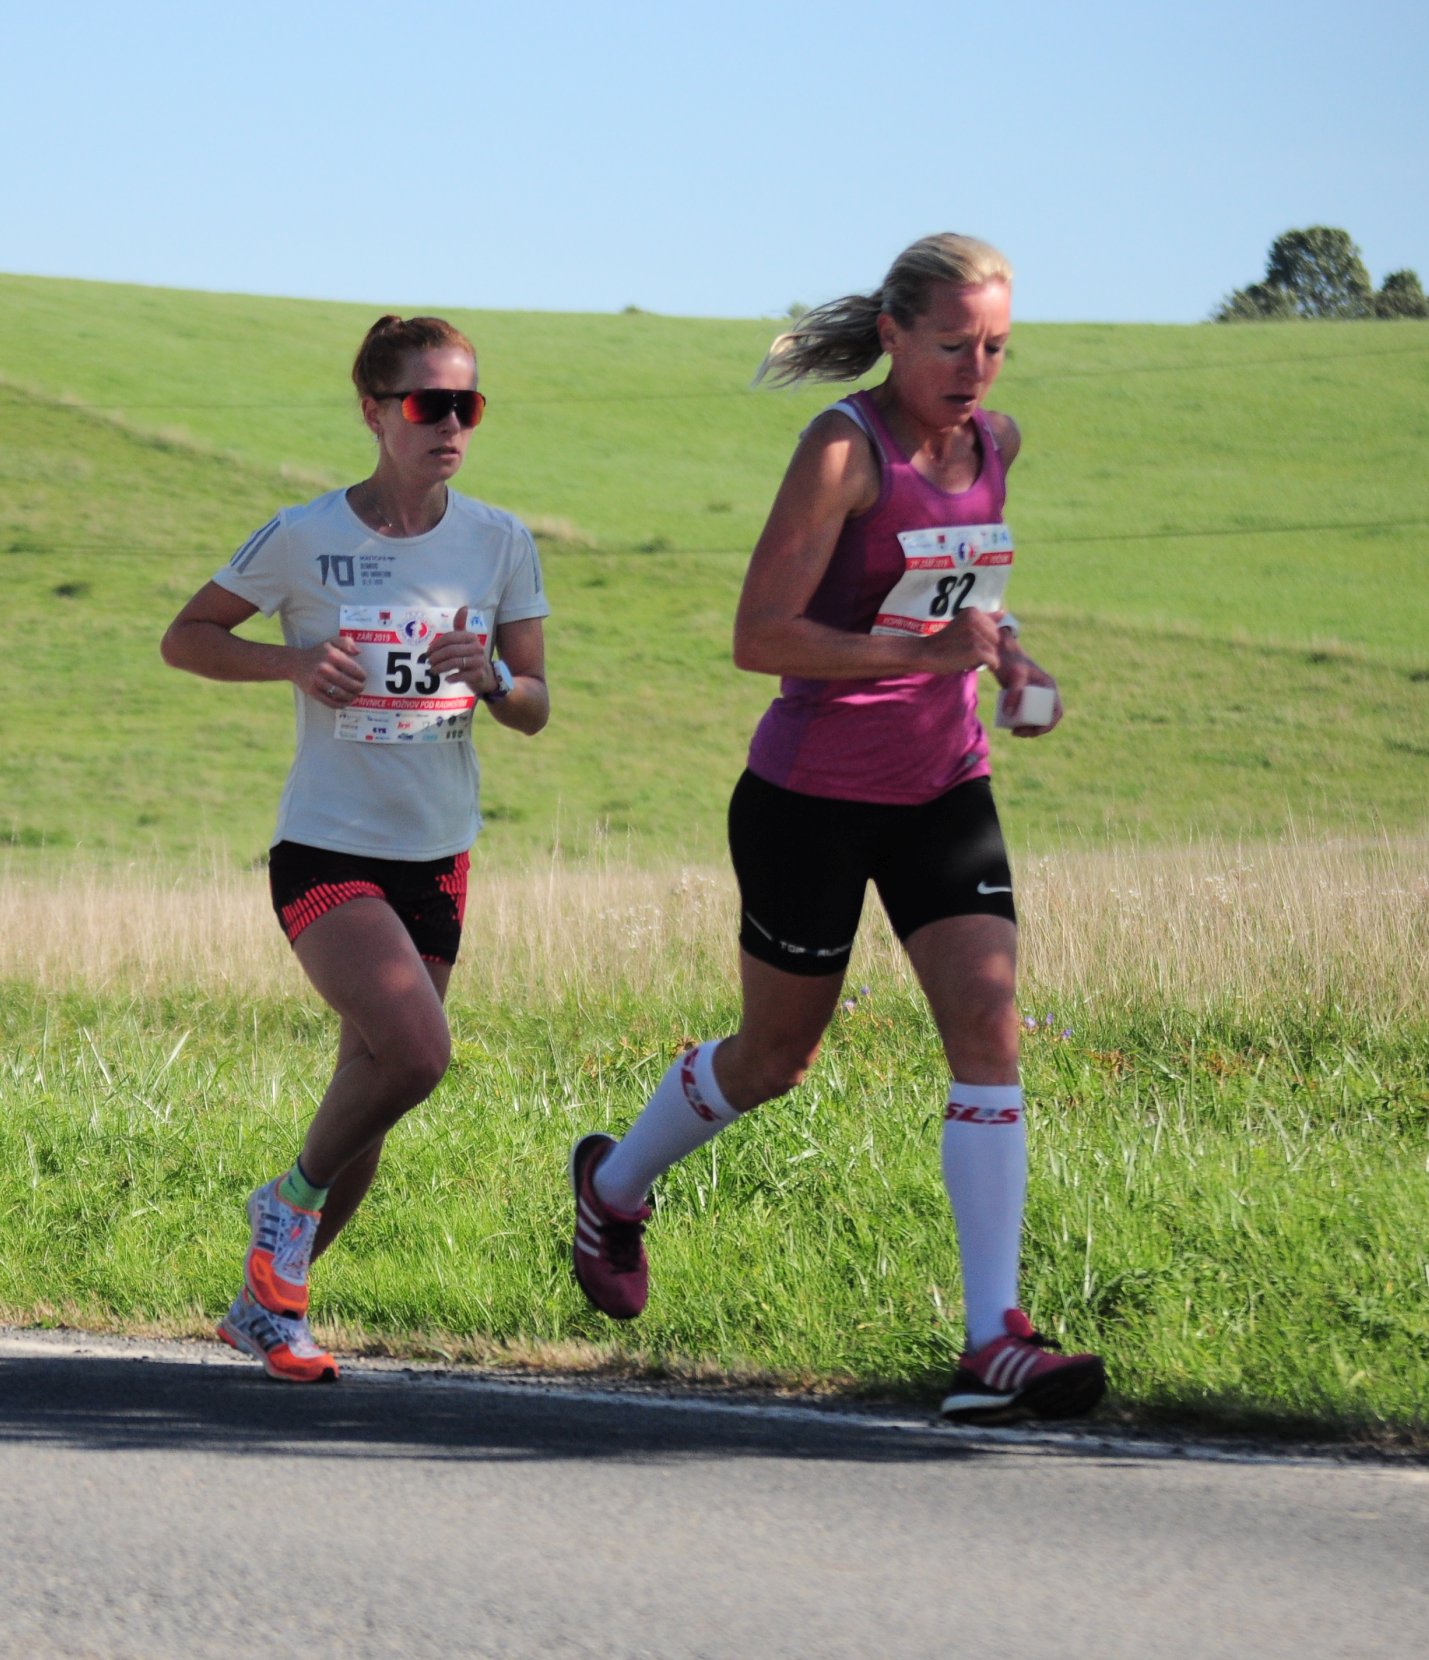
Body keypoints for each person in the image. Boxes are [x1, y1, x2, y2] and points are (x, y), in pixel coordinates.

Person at [567, 234, 1105, 1423]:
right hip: (811, 797)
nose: (976, 370)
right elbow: (759, 634)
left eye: (996, 347)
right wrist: (917, 651)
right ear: (894, 335)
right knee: (775, 1061)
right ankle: (611, 1186)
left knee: (989, 1028)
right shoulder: (841, 449)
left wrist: (1013, 663)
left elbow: (966, 596)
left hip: (944, 788)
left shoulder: (997, 446)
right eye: (954, 345)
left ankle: (991, 1340)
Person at [161, 314, 550, 1382]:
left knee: (371, 1092)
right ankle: (284, 1204)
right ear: (375, 411)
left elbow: (535, 707)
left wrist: (493, 679)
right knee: (418, 1055)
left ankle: (267, 1308)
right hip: (329, 847)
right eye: (429, 403)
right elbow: (186, 637)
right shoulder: (303, 535)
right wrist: (292, 663)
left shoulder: (500, 540)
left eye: (468, 404)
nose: (451, 424)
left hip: (440, 853)